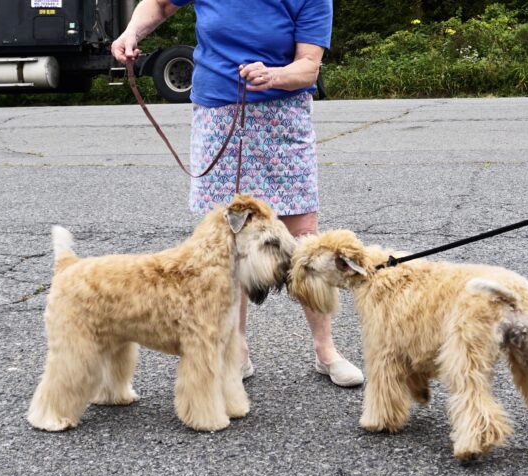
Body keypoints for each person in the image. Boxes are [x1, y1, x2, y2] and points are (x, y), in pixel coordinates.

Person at [112, 0, 364, 387]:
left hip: (282, 113)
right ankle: (237, 349)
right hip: (218, 114)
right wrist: (132, 33)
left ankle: (325, 350)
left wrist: (275, 75)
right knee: (229, 240)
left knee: (303, 237)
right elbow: (159, 5)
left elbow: (308, 67)